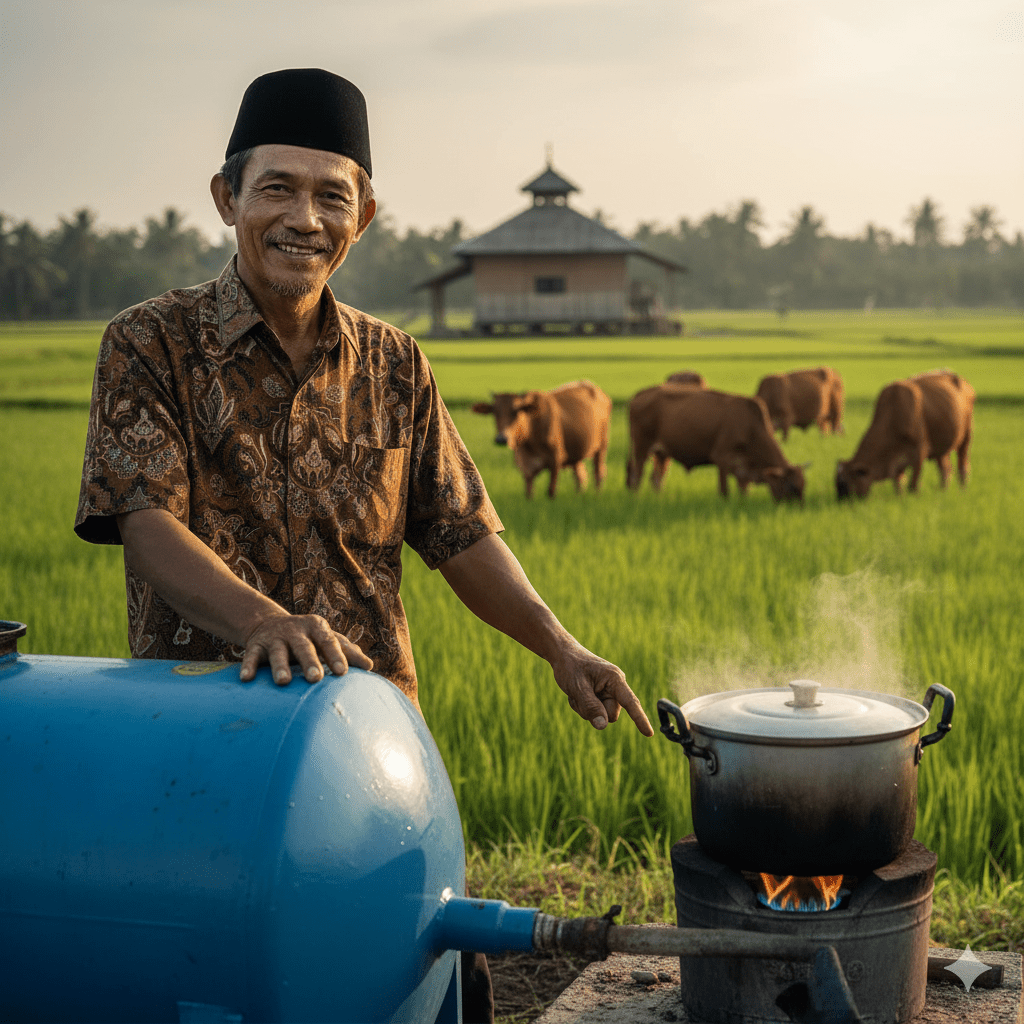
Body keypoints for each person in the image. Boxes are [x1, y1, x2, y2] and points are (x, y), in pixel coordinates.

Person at [75, 68, 653, 1021]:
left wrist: (562, 645)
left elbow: (460, 531)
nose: (305, 217)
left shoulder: (395, 363)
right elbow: (146, 525)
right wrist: (265, 620)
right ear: (228, 198)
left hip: (375, 758)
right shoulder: (150, 344)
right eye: (278, 189)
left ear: (365, 215)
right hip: (208, 747)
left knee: (408, 975)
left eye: (330, 195)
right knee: (233, 985)